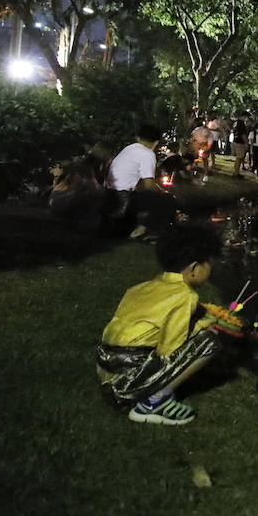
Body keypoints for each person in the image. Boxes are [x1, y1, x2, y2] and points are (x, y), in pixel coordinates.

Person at [95, 223, 223, 425]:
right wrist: (201, 327)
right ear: (194, 268)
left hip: (107, 368)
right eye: (210, 265)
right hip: (127, 377)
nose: (211, 270)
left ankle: (135, 393)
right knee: (209, 341)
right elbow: (169, 349)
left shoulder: (141, 287)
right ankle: (152, 403)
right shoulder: (184, 295)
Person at [104, 124, 177, 240]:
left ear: (138, 138)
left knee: (154, 197)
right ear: (156, 142)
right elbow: (149, 185)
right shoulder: (147, 154)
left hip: (110, 195)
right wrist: (163, 192)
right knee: (168, 200)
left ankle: (141, 227)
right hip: (124, 198)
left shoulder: (129, 149)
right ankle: (146, 231)